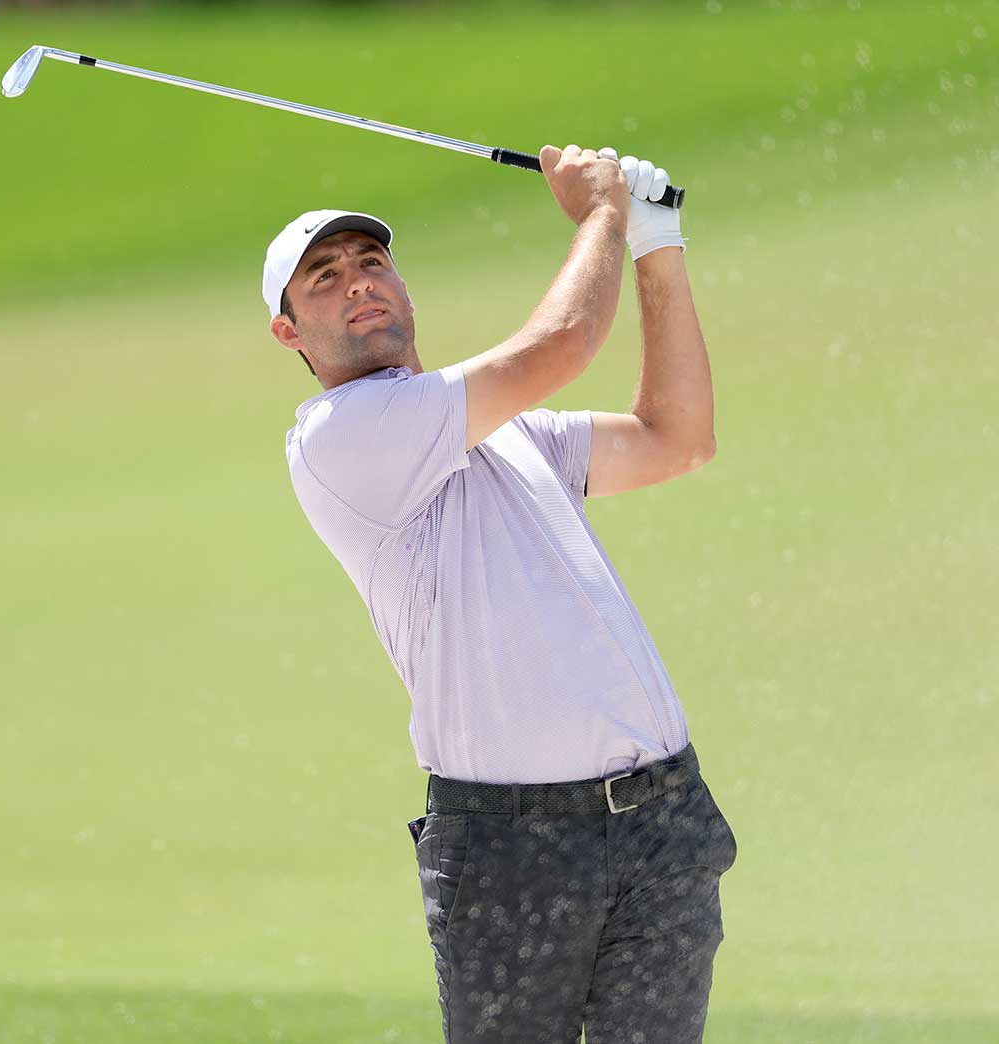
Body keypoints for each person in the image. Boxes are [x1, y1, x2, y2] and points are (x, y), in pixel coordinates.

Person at [268, 144, 736, 1044]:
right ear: (289, 331)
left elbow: (678, 438)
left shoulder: (510, 433)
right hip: (515, 848)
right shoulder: (340, 437)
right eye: (323, 278)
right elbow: (562, 345)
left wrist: (657, 239)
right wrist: (601, 213)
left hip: (661, 821)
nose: (358, 283)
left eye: (371, 263)